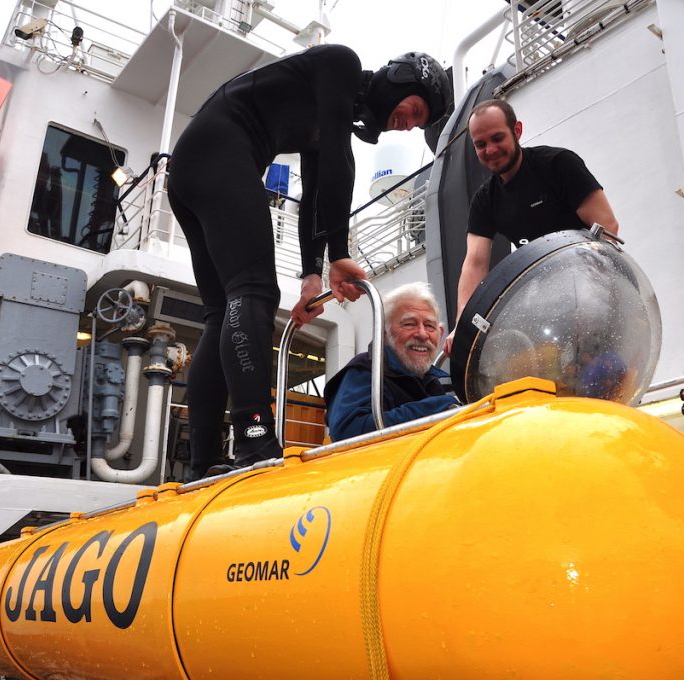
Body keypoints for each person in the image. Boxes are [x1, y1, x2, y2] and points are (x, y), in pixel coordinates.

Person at [168, 45, 452, 480]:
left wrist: (312, 274)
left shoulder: (327, 103)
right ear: (397, 80)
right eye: (413, 110)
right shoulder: (342, 65)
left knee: (220, 312)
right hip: (221, 149)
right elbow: (341, 159)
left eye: (416, 122)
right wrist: (339, 253)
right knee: (254, 290)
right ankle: (254, 438)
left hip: (191, 166)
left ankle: (202, 460)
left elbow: (316, 193)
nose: (409, 124)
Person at [445, 98, 619, 354]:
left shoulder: (558, 164)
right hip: (547, 303)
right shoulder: (485, 200)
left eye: (497, 138)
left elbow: (606, 226)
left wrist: (589, 295)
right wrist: (462, 324)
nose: (490, 150)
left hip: (595, 290)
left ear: (517, 131)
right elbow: (475, 263)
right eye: (480, 145)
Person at [324, 282, 459, 441]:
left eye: (430, 326)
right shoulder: (365, 371)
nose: (422, 335)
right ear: (385, 333)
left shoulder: (430, 381)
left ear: (441, 333)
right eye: (409, 324)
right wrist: (438, 407)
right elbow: (347, 431)